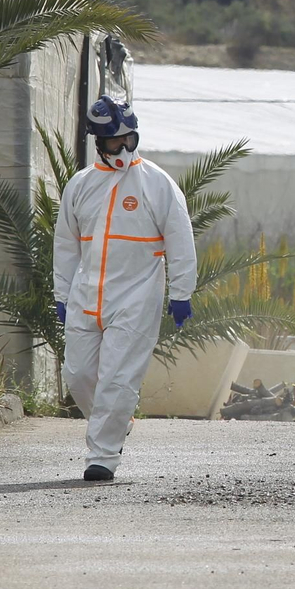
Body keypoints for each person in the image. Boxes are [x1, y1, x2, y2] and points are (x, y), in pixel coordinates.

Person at [54, 96, 197, 481]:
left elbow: (180, 239)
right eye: (116, 142)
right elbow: (66, 245)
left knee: (117, 377)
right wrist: (62, 294)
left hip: (137, 297)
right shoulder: (80, 186)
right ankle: (119, 421)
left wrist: (181, 293)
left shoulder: (156, 183)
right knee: (79, 374)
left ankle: (102, 455)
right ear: (98, 141)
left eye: (130, 139)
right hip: (86, 296)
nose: (124, 148)